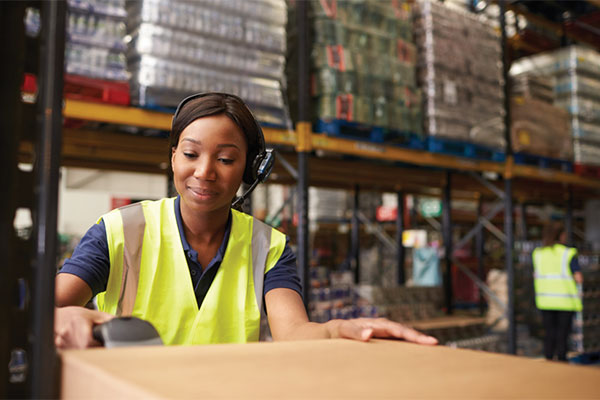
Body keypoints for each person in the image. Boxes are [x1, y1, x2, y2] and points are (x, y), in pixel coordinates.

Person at [55, 92, 438, 349]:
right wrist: (69, 314)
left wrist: (340, 328)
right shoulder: (120, 230)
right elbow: (48, 306)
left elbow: (293, 332)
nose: (204, 172)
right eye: (190, 154)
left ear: (249, 172)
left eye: (225, 160)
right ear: (173, 158)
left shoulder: (268, 248)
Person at [532, 222, 583, 362]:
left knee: (549, 333)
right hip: (565, 301)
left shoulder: (538, 253)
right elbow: (578, 277)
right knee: (563, 334)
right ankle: (561, 361)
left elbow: (535, 274)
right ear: (561, 235)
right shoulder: (568, 253)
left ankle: (548, 360)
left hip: (545, 301)